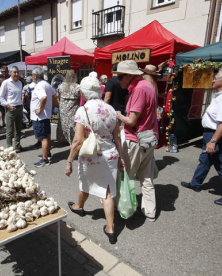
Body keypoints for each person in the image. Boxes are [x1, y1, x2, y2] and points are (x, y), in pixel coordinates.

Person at [65, 76, 124, 245]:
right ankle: (110, 229)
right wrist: (120, 158)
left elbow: (77, 140)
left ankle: (79, 207)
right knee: (106, 191)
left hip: (92, 156)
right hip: (110, 154)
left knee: (86, 182)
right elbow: (117, 137)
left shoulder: (82, 110)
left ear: (83, 92)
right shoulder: (111, 109)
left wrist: (69, 160)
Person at [181, 68, 222, 206]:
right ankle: (195, 183)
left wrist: (213, 141)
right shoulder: (221, 94)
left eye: (216, 77)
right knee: (205, 159)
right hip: (212, 133)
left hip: (218, 134)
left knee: (221, 163)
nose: (213, 80)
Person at [115, 60, 159, 222]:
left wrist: (119, 116)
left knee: (125, 175)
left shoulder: (139, 90)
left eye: (120, 76)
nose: (118, 80)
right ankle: (150, 212)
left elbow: (132, 120)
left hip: (136, 140)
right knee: (146, 178)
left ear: (130, 76)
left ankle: (123, 208)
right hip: (149, 138)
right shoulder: (148, 86)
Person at [31, 67, 56, 167]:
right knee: (47, 136)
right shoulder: (46, 84)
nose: (31, 76)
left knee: (43, 138)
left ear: (35, 75)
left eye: (32, 75)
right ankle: (47, 154)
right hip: (45, 115)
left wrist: (40, 109)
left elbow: (44, 97)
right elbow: (54, 95)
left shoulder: (40, 86)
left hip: (40, 116)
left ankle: (44, 160)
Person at [0, 66, 24, 152]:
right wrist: (7, 106)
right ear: (10, 73)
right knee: (9, 130)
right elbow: (1, 97)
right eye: (14, 72)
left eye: (17, 72)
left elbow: (21, 94)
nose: (16, 74)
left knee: (18, 129)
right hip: (10, 109)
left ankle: (17, 145)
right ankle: (9, 148)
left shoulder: (20, 83)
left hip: (19, 108)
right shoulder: (6, 83)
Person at [57, 69, 81, 145]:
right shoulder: (77, 87)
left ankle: (65, 139)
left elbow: (58, 96)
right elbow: (81, 98)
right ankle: (73, 141)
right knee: (73, 126)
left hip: (63, 109)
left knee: (64, 125)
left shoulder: (61, 86)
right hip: (73, 110)